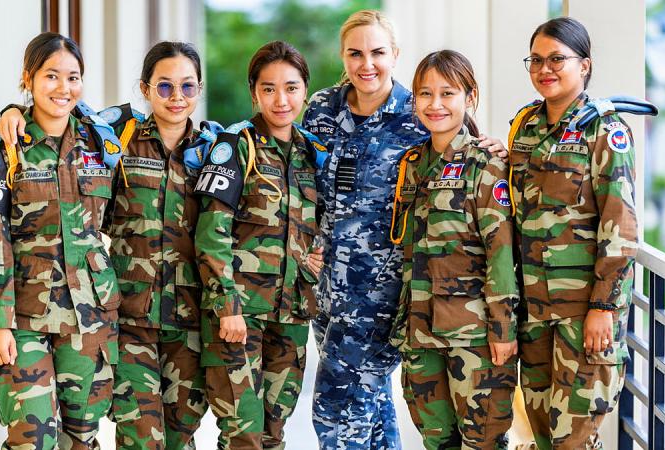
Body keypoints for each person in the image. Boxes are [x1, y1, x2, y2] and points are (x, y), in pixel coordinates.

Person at [302, 10, 506, 449]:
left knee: (336, 405)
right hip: (326, 289)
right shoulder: (321, 109)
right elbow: (300, 183)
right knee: (371, 402)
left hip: (387, 291)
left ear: (394, 55)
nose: (366, 64)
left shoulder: (417, 114)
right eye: (355, 53)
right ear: (343, 55)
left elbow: (467, 158)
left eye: (377, 52)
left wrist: (496, 147)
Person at [0, 42, 216, 449]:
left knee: (181, 437)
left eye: (187, 86)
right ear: (145, 88)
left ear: (199, 89)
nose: (176, 96)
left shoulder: (218, 149)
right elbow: (61, 111)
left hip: (189, 319)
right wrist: (12, 109)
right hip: (129, 316)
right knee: (139, 437)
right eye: (164, 86)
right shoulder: (115, 133)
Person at [0, 32, 120, 449]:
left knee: (82, 437)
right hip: (24, 313)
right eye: (51, 76)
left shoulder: (101, 140)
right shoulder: (5, 145)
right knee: (31, 437)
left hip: (90, 314)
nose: (63, 88)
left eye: (73, 77)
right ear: (29, 77)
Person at [509, 17, 637, 449]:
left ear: (584, 65)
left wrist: (604, 306)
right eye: (537, 60)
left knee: (574, 439)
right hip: (534, 312)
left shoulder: (606, 130)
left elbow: (620, 225)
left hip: (584, 314)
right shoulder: (524, 128)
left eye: (557, 59)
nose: (545, 69)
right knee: (544, 435)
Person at [193, 40, 324, 450]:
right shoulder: (235, 147)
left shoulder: (310, 154)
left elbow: (311, 225)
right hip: (239, 318)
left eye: (290, 87)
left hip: (290, 315)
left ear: (305, 90)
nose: (280, 99)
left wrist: (312, 257)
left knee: (272, 434)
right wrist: (227, 306)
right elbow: (211, 232)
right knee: (242, 434)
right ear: (254, 92)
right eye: (268, 88)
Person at [390, 50, 519, 450]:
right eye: (425, 94)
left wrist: (502, 328)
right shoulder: (412, 163)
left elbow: (500, 253)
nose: (436, 104)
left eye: (448, 93)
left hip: (476, 335)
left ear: (470, 97)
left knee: (483, 442)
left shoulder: (486, 164)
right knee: (436, 442)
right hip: (421, 332)